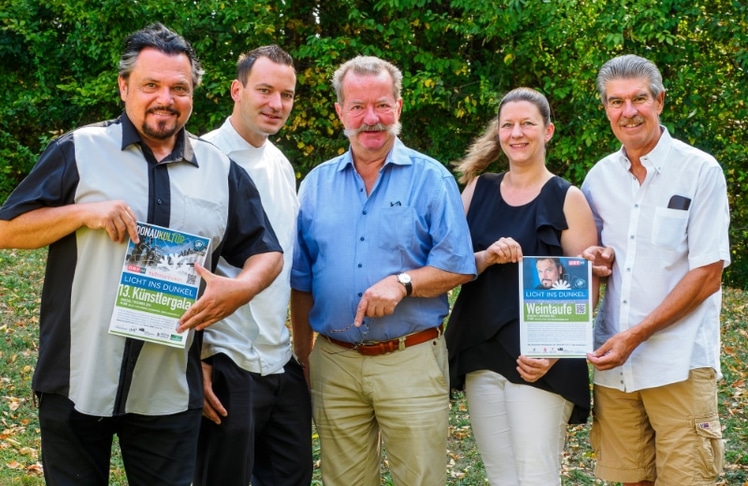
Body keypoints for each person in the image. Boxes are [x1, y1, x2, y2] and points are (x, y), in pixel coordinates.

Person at [0, 23, 283, 486]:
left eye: (179, 88)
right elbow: (6, 230)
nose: (165, 98)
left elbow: (266, 251)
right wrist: (82, 213)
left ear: (193, 94)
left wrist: (242, 287)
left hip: (167, 390)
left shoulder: (219, 169)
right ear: (124, 86)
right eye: (151, 85)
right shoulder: (79, 149)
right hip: (77, 378)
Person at [290, 55, 476, 486]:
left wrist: (404, 282)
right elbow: (301, 282)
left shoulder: (431, 179)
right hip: (334, 361)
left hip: (409, 357)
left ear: (399, 106)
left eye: (382, 105)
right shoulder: (315, 184)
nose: (370, 118)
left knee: (421, 479)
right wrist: (304, 356)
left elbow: (459, 265)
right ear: (340, 112)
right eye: (357, 106)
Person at [581, 54, 729, 485]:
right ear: (606, 109)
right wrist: (598, 260)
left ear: (659, 101)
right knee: (631, 481)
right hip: (616, 368)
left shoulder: (700, 171)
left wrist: (635, 336)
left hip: (678, 363)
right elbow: (595, 261)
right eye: (615, 102)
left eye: (638, 99)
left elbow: (708, 274)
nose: (628, 112)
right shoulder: (598, 178)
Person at [445, 87, 598, 485]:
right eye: (507, 125)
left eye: (527, 123)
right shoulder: (477, 189)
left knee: (536, 476)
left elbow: (584, 289)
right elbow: (450, 264)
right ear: (498, 133)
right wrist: (487, 256)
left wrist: (551, 354)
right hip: (480, 354)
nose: (517, 133)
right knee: (501, 476)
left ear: (548, 131)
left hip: (538, 362)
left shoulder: (567, 199)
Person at [194, 45, 312, 486]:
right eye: (264, 90)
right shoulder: (202, 158)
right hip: (224, 358)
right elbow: (182, 264)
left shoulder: (280, 163)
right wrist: (198, 357)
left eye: (287, 94)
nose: (276, 104)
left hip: (278, 359)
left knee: (293, 475)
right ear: (236, 90)